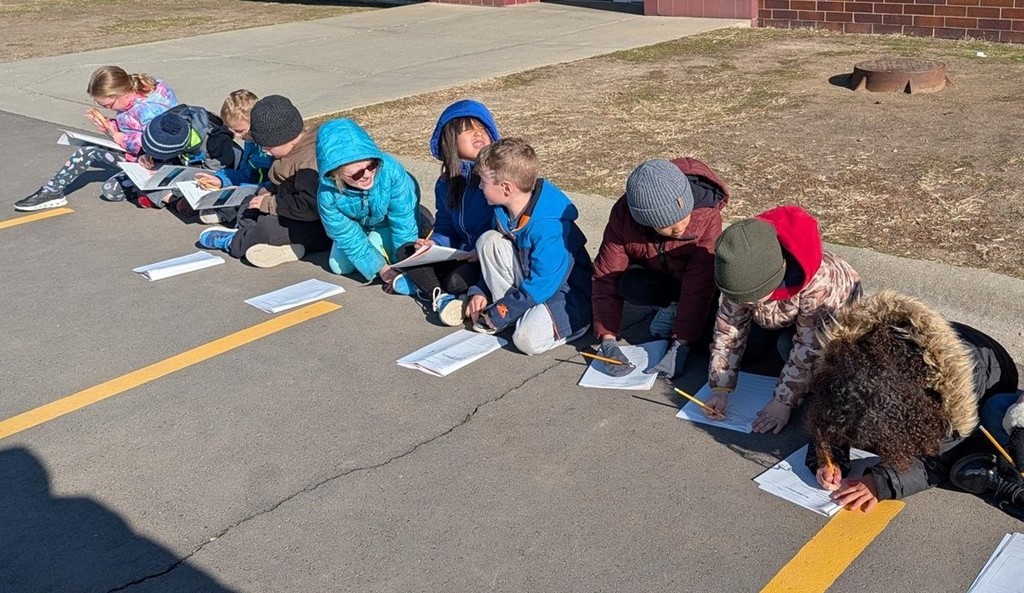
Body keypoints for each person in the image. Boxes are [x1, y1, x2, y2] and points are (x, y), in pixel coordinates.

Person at [802, 291, 1023, 514]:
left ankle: (981, 453)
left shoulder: (948, 399)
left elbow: (935, 461)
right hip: (910, 376)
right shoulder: (850, 358)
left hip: (988, 380)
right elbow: (835, 409)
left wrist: (880, 482)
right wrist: (828, 454)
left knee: (955, 444)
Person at [702, 205, 862, 433]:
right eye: (741, 299)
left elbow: (809, 345)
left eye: (751, 298)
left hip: (829, 324)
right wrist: (720, 387)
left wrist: (782, 402)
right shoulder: (739, 274)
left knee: (788, 347)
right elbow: (729, 327)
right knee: (751, 348)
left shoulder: (820, 284)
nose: (744, 303)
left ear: (774, 278)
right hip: (782, 314)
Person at [591, 158, 728, 378]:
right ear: (645, 221)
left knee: (703, 346)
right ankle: (672, 305)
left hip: (694, 281)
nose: (680, 229)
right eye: (667, 225)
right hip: (658, 278)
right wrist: (607, 338)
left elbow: (700, 283)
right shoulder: (623, 217)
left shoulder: (708, 215)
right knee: (632, 285)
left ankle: (680, 321)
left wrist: (681, 343)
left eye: (683, 216)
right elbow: (606, 273)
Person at [463, 138, 593, 355]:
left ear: (506, 188)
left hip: (565, 296)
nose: (480, 186)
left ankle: (575, 325)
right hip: (530, 288)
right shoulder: (503, 213)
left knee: (526, 341)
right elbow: (495, 263)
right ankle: (515, 315)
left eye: (483, 182)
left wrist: (501, 312)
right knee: (487, 241)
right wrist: (481, 291)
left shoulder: (550, 228)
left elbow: (542, 285)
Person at [15, 66, 177, 211]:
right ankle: (154, 190)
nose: (107, 108)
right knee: (111, 190)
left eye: (108, 105)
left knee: (87, 151)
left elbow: (153, 141)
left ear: (123, 94)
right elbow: (133, 126)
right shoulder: (140, 95)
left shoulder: (148, 110)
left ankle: (52, 192)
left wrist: (114, 134)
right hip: (144, 158)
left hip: (155, 161)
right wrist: (109, 124)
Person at [197, 95, 329, 267]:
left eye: (268, 147)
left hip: (318, 227)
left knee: (268, 227)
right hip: (292, 212)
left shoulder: (308, 164)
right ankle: (282, 247)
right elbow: (285, 184)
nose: (265, 151)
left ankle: (234, 241)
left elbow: (308, 207)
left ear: (284, 138)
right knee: (249, 204)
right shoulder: (289, 151)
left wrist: (269, 203)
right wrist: (269, 190)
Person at [400, 99, 499, 325]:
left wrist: (476, 252)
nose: (478, 135)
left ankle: (430, 287)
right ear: (450, 143)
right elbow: (444, 225)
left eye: (483, 129)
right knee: (406, 251)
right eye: (468, 131)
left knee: (456, 280)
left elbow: (501, 229)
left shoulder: (497, 179)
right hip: (458, 252)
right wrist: (433, 244)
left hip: (483, 258)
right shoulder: (446, 182)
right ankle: (442, 297)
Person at [316, 118, 422, 293]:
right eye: (356, 174)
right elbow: (345, 234)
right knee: (338, 266)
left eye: (371, 166)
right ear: (336, 174)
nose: (366, 175)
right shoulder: (327, 195)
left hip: (388, 221)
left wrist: (401, 265)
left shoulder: (391, 171)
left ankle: (420, 221)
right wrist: (380, 268)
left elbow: (403, 222)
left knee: (381, 242)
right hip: (359, 226)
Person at [126, 103, 238, 208]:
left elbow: (212, 174)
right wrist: (146, 155)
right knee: (142, 175)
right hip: (183, 163)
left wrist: (175, 190)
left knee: (205, 189)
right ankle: (167, 197)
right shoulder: (169, 119)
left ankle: (170, 198)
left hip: (216, 169)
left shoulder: (215, 141)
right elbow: (155, 143)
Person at [190, 89, 273, 225]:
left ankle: (228, 214)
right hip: (249, 188)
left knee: (244, 206)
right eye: (232, 130)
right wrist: (221, 179)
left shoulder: (270, 147)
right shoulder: (249, 142)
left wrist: (245, 188)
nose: (236, 136)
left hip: (263, 192)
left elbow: (275, 182)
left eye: (240, 131)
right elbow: (243, 173)